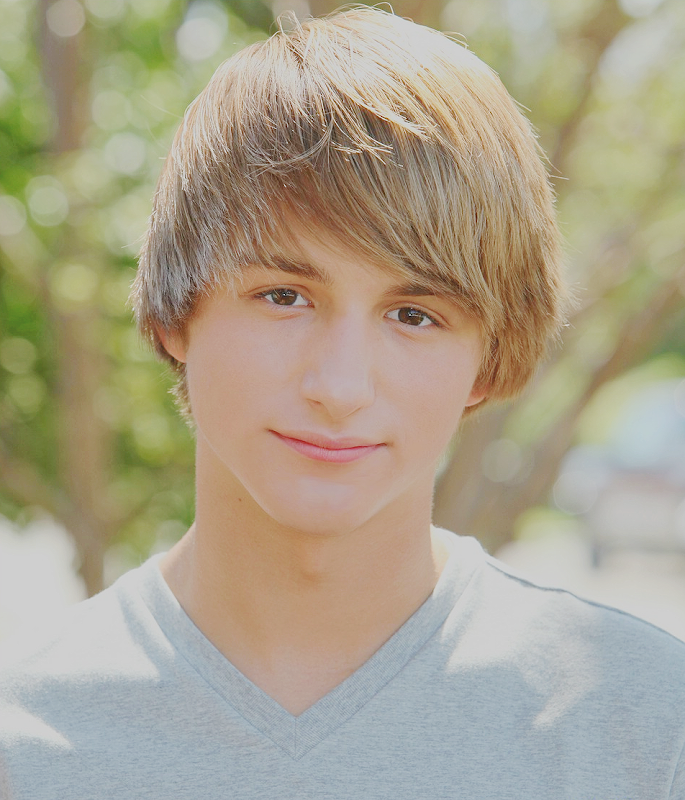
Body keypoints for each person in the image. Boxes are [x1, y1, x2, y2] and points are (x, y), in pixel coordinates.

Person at [1, 7, 684, 799]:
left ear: (487, 364)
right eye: (283, 295)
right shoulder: (26, 742)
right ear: (174, 314)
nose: (339, 387)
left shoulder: (640, 728)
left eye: (413, 315)